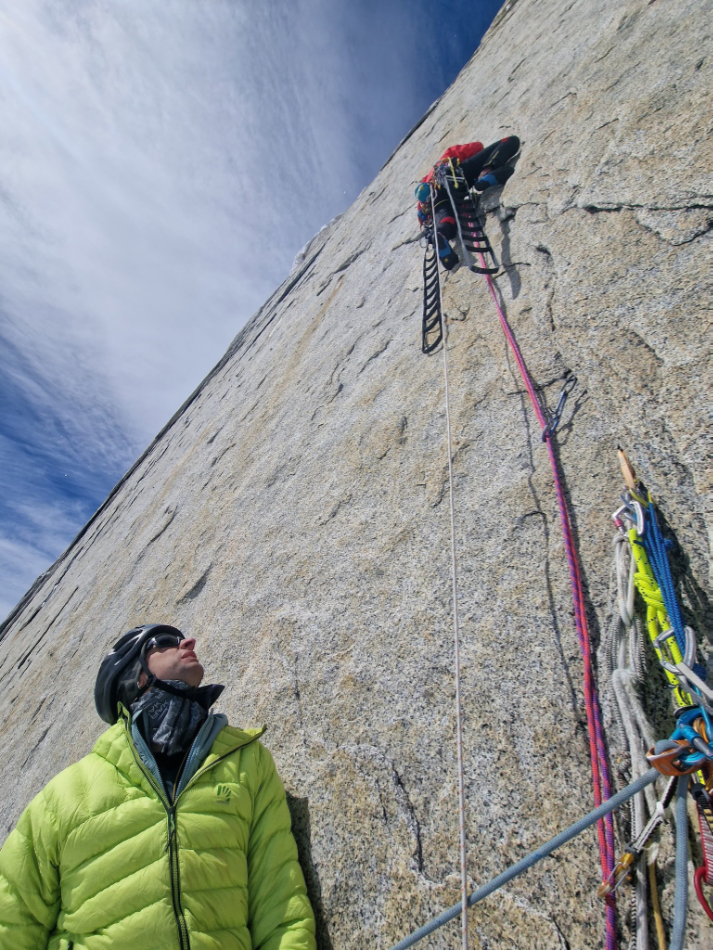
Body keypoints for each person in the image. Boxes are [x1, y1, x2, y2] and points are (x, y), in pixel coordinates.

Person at [0, 624, 316, 950]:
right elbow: (11, 922)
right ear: (136, 678)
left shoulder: (246, 764)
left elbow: (280, 902)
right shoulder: (64, 796)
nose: (189, 642)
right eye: (165, 642)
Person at [416, 135, 520, 269]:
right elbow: (476, 147)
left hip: (436, 199)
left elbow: (424, 217)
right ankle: (486, 173)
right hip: (456, 177)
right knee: (510, 141)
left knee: (443, 214)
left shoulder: (425, 195)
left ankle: (442, 233)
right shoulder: (443, 160)